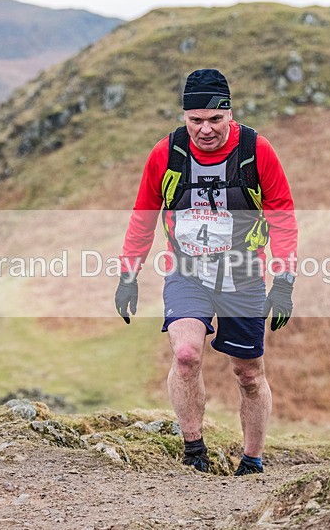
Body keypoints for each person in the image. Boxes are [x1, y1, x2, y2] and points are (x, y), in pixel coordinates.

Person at [115, 69, 298, 474]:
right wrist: (128, 275)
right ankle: (194, 451)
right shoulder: (167, 154)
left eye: (215, 120)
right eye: (196, 120)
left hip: (244, 274)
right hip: (187, 272)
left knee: (248, 373)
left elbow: (282, 215)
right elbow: (143, 216)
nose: (205, 129)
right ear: (184, 116)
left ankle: (252, 460)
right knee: (184, 355)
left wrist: (284, 280)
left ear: (229, 114)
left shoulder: (255, 150)